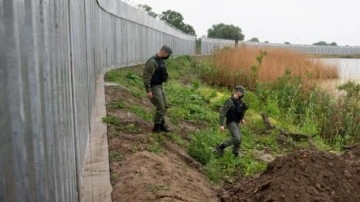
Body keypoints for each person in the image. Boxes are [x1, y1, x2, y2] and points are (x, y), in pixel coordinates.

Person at [143, 45, 173, 133]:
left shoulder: (161, 60)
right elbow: (146, 77)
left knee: (165, 106)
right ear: (163, 52)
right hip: (154, 88)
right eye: (168, 54)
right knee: (160, 107)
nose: (168, 57)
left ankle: (161, 124)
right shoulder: (152, 62)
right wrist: (148, 91)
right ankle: (156, 127)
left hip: (160, 86)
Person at [216, 85, 248, 157]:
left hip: (236, 122)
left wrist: (242, 119)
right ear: (238, 92)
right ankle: (220, 147)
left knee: (240, 138)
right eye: (242, 93)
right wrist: (221, 124)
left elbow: (238, 111)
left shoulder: (239, 101)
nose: (243, 94)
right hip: (231, 122)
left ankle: (235, 153)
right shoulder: (229, 101)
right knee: (236, 138)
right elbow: (223, 113)